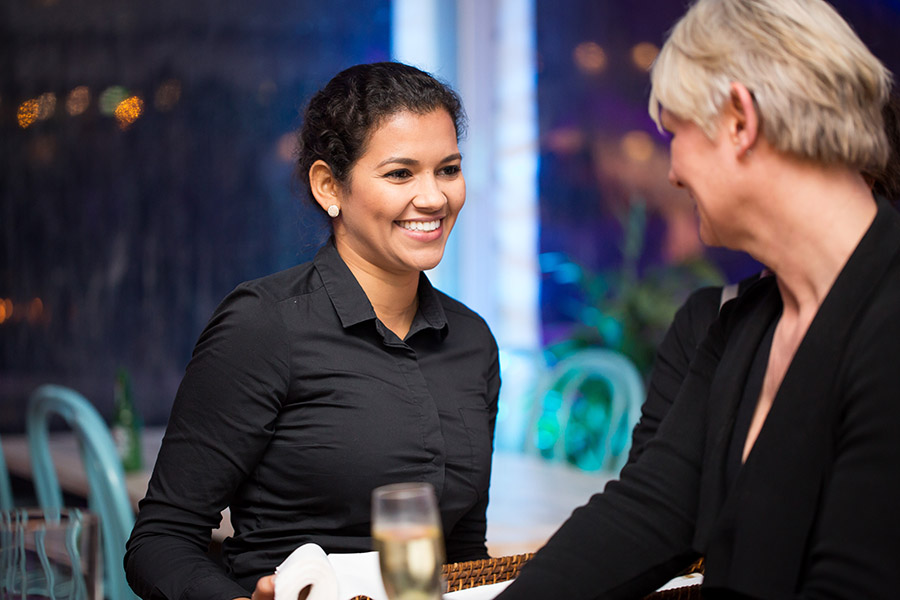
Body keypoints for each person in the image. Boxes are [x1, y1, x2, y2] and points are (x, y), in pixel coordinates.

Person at [497, 0, 900, 598]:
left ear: (740, 120)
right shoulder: (741, 326)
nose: (673, 171)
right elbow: (647, 511)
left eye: (676, 134)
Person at [124, 62, 501, 600]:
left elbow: (463, 555)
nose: (435, 198)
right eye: (400, 173)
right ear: (329, 186)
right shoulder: (265, 325)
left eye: (448, 169)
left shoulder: (472, 341)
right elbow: (161, 540)